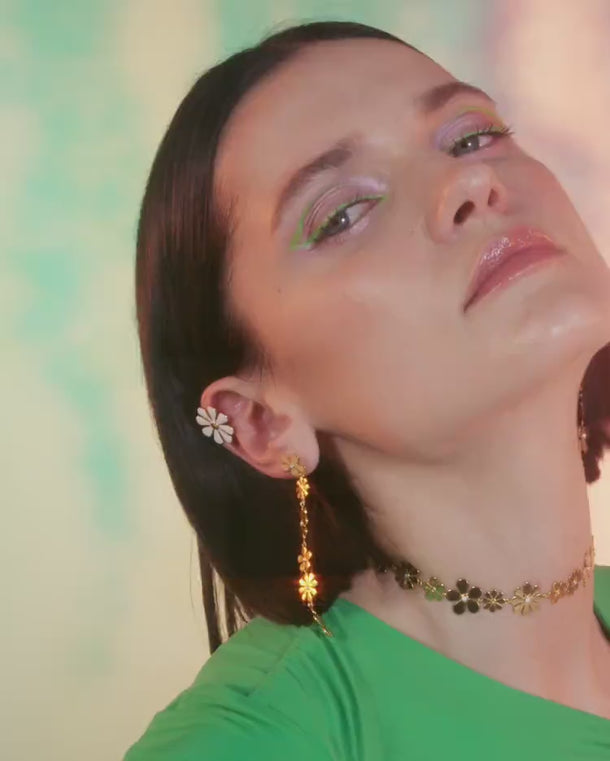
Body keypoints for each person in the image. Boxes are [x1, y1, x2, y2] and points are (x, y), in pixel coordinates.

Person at [124, 19, 610, 760]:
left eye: (472, 137)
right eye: (343, 213)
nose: (469, 183)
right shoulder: (256, 740)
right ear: (258, 422)